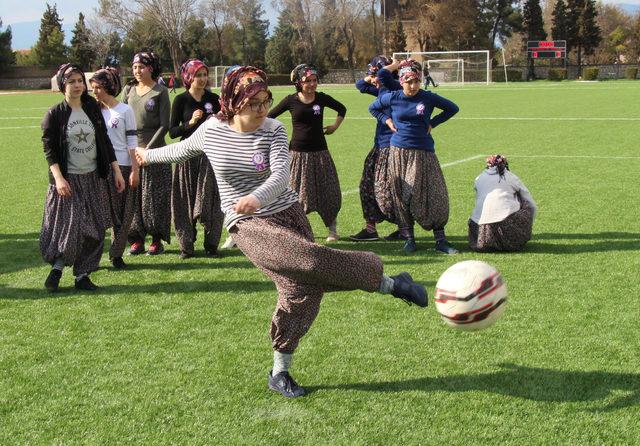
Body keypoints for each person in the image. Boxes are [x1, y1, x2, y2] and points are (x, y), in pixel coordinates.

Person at [135, 66, 428, 398]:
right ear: (233, 102)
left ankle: (280, 372)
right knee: (310, 262)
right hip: (247, 225)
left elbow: (280, 177)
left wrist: (256, 197)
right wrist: (147, 156)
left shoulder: (273, 129)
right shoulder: (211, 131)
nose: (261, 109)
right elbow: (180, 150)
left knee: (299, 292)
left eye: (265, 101)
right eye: (252, 103)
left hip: (287, 213)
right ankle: (389, 283)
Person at [40, 64, 125, 292]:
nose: (78, 85)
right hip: (69, 180)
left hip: (94, 177)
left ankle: (83, 275)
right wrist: (58, 179)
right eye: (72, 82)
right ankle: (57, 268)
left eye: (80, 80)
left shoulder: (91, 107)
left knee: (97, 229)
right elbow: (50, 151)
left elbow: (105, 142)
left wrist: (116, 171)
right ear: (62, 85)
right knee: (71, 228)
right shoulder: (54, 114)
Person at [369, 59, 459, 254]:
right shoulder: (393, 97)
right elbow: (373, 108)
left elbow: (453, 108)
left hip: (424, 152)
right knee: (402, 195)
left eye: (416, 81)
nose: (413, 85)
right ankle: (409, 239)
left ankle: (441, 240)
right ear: (401, 81)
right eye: (409, 81)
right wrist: (387, 120)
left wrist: (433, 123)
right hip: (399, 153)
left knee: (434, 193)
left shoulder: (427, 97)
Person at [268, 64, 346, 242]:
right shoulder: (291, 100)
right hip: (297, 155)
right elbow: (270, 117)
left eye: (314, 80)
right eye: (307, 81)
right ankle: (296, 229)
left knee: (329, 191)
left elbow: (342, 109)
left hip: (320, 154)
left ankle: (332, 230)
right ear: (299, 82)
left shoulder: (321, 98)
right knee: (295, 193)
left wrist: (335, 126)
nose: (312, 84)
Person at [169, 59, 223, 259]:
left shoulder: (214, 99)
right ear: (188, 77)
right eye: (197, 75)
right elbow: (173, 132)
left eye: (204, 75)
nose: (202, 79)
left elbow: (224, 125)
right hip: (187, 157)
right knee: (185, 201)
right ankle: (187, 246)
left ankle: (211, 245)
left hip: (210, 157)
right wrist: (190, 122)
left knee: (211, 202)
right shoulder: (181, 100)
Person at [122, 51, 171, 255]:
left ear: (150, 68)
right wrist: (132, 150)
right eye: (134, 67)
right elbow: (121, 121)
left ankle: (156, 239)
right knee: (133, 198)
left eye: (141, 67)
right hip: (132, 152)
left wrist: (148, 151)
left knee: (154, 198)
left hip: (155, 152)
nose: (137, 71)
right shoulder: (128, 91)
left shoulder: (160, 91)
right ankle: (136, 239)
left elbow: (164, 125)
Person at [90, 67, 139, 269]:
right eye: (92, 88)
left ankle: (116, 255)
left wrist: (135, 170)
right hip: (100, 168)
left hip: (124, 166)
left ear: (109, 87)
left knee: (123, 213)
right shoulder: (92, 110)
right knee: (100, 214)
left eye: (98, 87)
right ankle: (91, 259)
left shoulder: (125, 110)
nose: (95, 92)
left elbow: (132, 142)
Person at [350, 55, 402, 242]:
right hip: (379, 145)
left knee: (388, 189)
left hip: (392, 146)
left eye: (375, 74)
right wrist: (369, 78)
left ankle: (404, 229)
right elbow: (360, 86)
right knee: (367, 185)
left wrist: (393, 65)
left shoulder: (396, 88)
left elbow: (383, 75)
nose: (375, 80)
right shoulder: (382, 89)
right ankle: (371, 229)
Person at [468, 155, 537, 252]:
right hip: (505, 232)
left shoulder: (479, 178)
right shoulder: (510, 177)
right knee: (525, 203)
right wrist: (529, 222)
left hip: (478, 235)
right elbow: (530, 202)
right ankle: (512, 240)